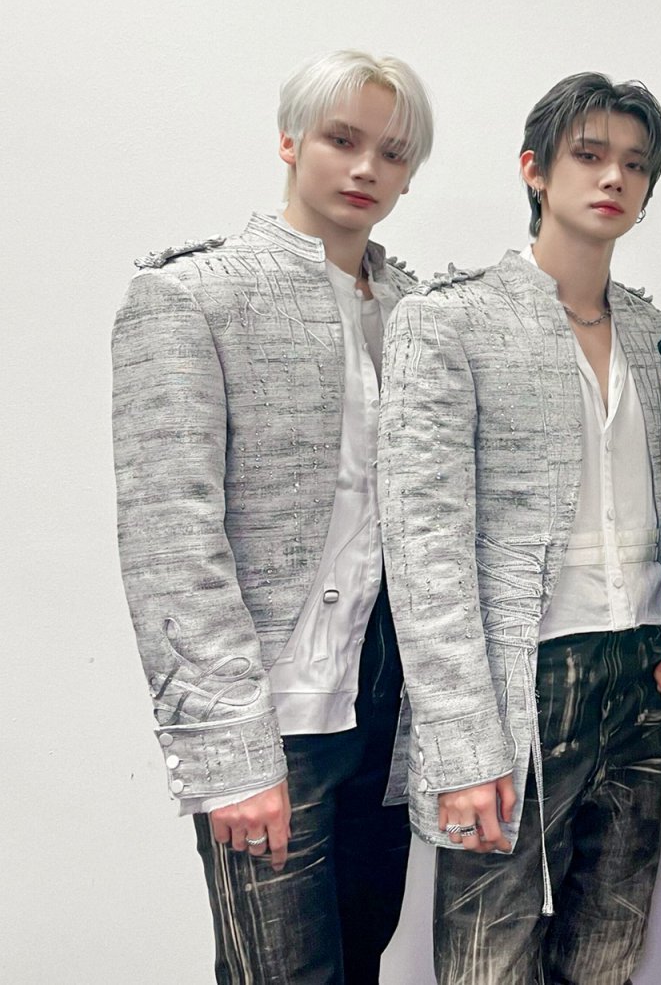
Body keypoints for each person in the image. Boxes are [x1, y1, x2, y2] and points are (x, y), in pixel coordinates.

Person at [112, 48, 433, 983]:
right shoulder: (191, 295)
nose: (367, 168)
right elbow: (171, 540)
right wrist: (228, 756)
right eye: (343, 139)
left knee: (362, 961)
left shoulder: (419, 313)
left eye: (393, 153)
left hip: (387, 708)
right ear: (290, 140)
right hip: (273, 716)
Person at [378, 72, 661, 985]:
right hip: (520, 678)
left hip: (638, 676)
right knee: (490, 958)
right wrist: (461, 744)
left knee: (608, 954)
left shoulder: (655, 332)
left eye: (635, 164)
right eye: (589, 155)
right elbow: (424, 546)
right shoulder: (448, 321)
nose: (614, 178)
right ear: (535, 169)